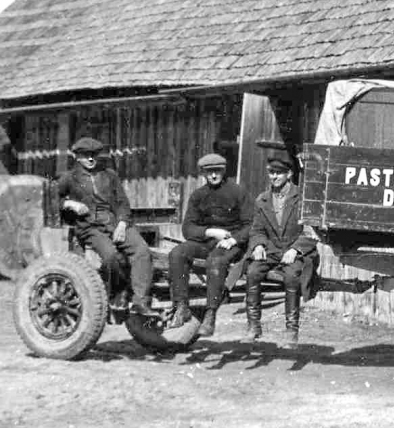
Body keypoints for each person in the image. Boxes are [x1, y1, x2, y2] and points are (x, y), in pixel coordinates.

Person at [57, 137, 156, 316]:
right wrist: (70, 204)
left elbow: (123, 204)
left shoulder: (110, 175)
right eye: (85, 155)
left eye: (93, 155)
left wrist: (122, 224)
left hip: (114, 222)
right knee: (111, 257)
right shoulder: (68, 178)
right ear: (76, 156)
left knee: (142, 251)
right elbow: (52, 199)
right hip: (89, 227)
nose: (90, 159)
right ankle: (118, 293)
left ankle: (140, 301)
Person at [167, 153, 253, 333]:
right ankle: (182, 307)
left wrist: (234, 240)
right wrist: (209, 232)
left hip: (232, 243)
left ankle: (210, 314)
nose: (213, 176)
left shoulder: (238, 192)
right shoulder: (199, 195)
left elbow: (251, 224)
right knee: (177, 253)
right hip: (206, 241)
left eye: (217, 171)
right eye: (209, 172)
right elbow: (188, 228)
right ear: (203, 174)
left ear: (223, 171)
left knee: (216, 261)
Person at [244, 155, 319, 347]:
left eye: (278, 173)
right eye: (271, 172)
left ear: (289, 174)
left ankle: (291, 331)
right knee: (252, 272)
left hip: (297, 250)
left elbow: (311, 231)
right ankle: (254, 326)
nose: (274, 177)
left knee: (292, 276)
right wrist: (259, 244)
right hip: (272, 250)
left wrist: (295, 249)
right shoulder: (262, 199)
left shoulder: (303, 197)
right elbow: (257, 229)